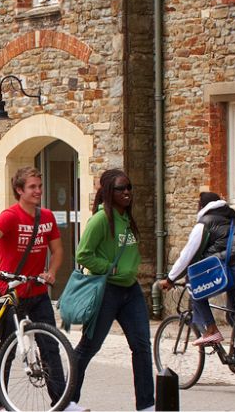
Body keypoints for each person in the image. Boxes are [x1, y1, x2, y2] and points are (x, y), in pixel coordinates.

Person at [0, 166, 67, 411]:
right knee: (7, 347)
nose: (38, 191)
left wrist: (52, 272)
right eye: (32, 187)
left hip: (37, 292)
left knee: (50, 345)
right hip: (12, 292)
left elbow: (58, 251)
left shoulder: (47, 217)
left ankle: (62, 402)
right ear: (19, 190)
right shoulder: (10, 216)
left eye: (40, 186)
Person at [68, 169, 153, 411]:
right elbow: (83, 254)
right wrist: (110, 270)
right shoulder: (101, 220)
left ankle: (147, 405)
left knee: (142, 346)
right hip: (106, 291)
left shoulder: (127, 218)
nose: (127, 192)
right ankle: (67, 399)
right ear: (108, 192)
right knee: (89, 347)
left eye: (129, 187)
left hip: (130, 291)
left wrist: (128, 272)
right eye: (120, 188)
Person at [162, 191, 235, 380]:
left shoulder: (205, 223)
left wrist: (170, 279)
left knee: (194, 287)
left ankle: (211, 330)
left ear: (201, 206)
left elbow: (188, 255)